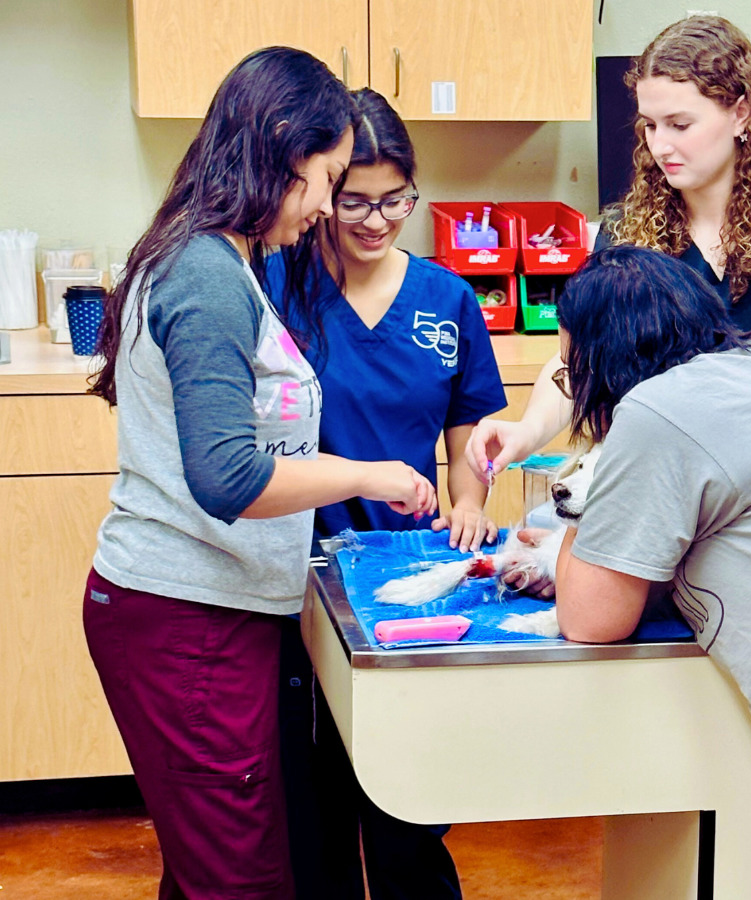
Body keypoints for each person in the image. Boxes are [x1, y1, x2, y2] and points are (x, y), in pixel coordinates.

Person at [83, 49, 436, 900]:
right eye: (322, 179)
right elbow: (228, 477)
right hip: (185, 623)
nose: (323, 205)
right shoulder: (206, 274)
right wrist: (371, 474)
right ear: (279, 156)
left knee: (215, 866)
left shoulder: (219, 258)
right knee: (241, 880)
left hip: (206, 615)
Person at [266, 88, 506, 900]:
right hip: (293, 573)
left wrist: (470, 502)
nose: (374, 220)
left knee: (407, 803)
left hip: (404, 576)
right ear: (324, 194)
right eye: (355, 200)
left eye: (395, 200)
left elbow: (470, 431)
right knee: (314, 799)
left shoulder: (446, 299)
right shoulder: (275, 284)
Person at [465, 14, 751, 480]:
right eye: (651, 126)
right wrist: (527, 431)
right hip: (663, 478)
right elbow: (578, 362)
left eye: (680, 125)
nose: (660, 146)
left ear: (741, 113)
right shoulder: (627, 233)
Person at [553, 245, 751, 759]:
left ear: (600, 362)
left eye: (572, 372)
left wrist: (588, 487)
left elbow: (590, 620)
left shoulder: (655, 410)